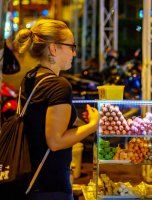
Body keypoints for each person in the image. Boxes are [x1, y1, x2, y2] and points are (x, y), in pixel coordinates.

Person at [2, 19, 100, 200]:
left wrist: (77, 122)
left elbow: (38, 120)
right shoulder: (59, 85)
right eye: (71, 46)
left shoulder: (31, 77)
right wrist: (93, 125)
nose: (74, 53)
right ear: (53, 48)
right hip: (49, 184)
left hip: (27, 178)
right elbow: (55, 141)